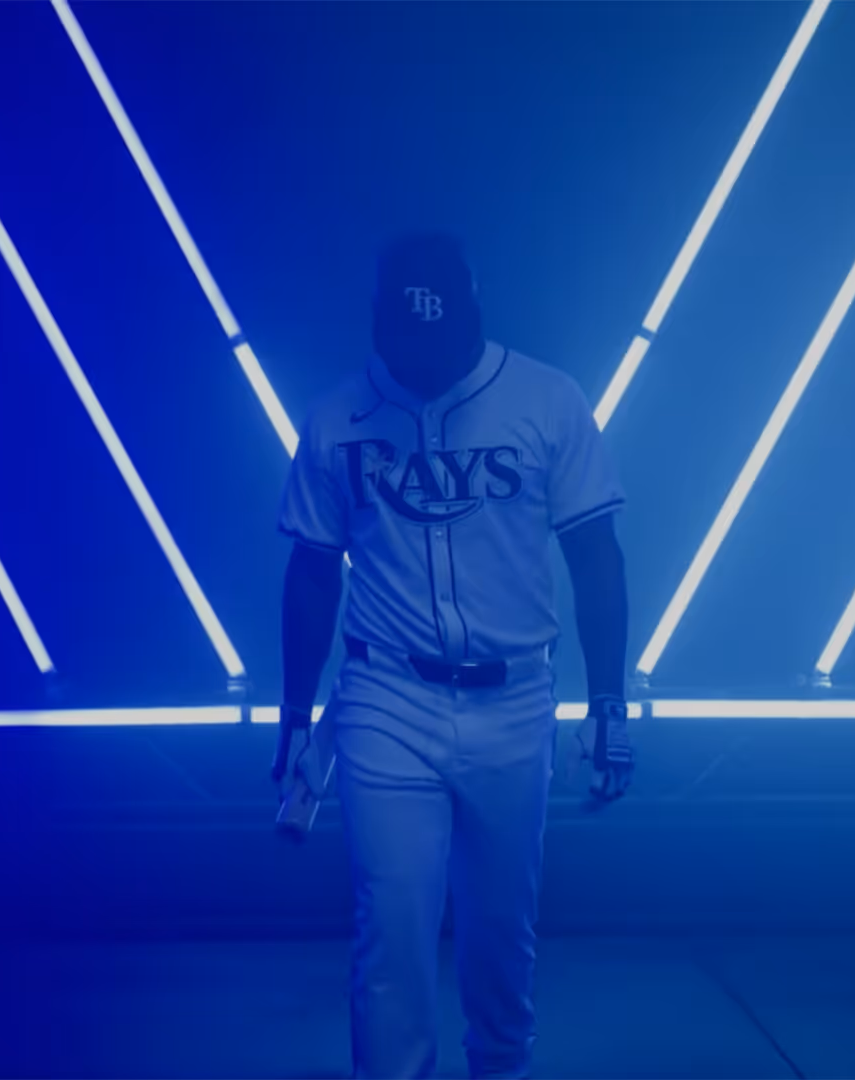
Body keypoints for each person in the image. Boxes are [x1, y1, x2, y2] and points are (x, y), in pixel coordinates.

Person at [274, 231, 635, 1079]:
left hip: (515, 699)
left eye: (441, 339)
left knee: (500, 941)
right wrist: (295, 718)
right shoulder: (337, 416)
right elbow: (312, 570)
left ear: (475, 318)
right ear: (378, 327)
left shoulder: (547, 401)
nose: (423, 359)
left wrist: (610, 707)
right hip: (384, 695)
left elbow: (597, 557)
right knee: (391, 929)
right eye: (405, 340)